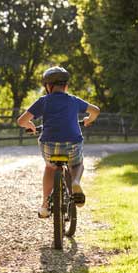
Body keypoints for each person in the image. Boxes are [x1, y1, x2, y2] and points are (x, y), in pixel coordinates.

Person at [17, 66, 100, 218]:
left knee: (50, 167)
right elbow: (95, 110)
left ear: (48, 87)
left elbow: (21, 120)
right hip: (72, 143)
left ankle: (45, 205)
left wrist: (30, 125)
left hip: (49, 144)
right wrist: (88, 120)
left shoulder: (44, 101)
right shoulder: (74, 100)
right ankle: (75, 181)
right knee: (77, 164)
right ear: (66, 86)